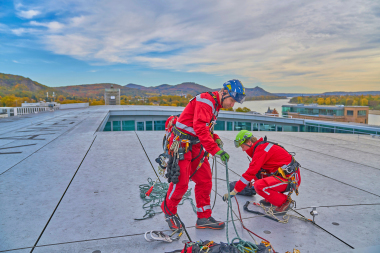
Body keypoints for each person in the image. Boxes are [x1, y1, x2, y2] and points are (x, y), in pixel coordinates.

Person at [161, 79, 246, 230]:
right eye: (232, 101)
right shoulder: (206, 101)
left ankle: (204, 217)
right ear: (224, 93)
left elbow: (206, 128)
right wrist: (216, 150)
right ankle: (169, 212)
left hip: (195, 146)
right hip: (182, 145)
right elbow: (200, 128)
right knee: (180, 184)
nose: (232, 105)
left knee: (205, 180)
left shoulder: (215, 104)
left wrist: (216, 139)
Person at [223, 130, 301, 214]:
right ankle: (270, 198)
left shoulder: (261, 150)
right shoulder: (260, 148)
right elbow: (254, 171)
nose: (242, 150)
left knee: (259, 186)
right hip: (283, 176)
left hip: (290, 179)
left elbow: (250, 172)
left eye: (242, 147)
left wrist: (235, 191)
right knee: (257, 173)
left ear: (249, 142)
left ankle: (284, 202)